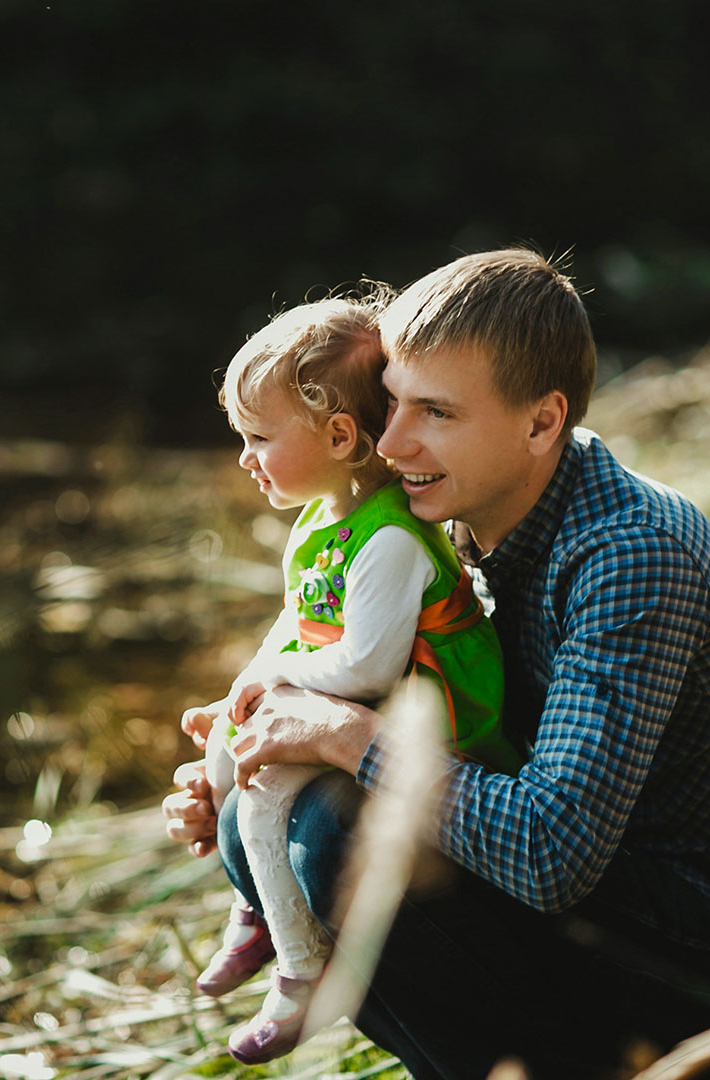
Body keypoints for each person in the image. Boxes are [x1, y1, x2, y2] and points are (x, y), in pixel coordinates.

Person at [165, 250, 710, 1079]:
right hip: (618, 874)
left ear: (540, 423)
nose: (390, 440)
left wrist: (343, 734)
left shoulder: (628, 556)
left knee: (336, 834)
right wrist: (250, 742)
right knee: (262, 827)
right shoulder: (454, 508)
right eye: (389, 403)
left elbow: (548, 852)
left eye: (436, 413)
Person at [168, 293, 520, 1066]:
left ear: (336, 434)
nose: (243, 458)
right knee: (227, 753)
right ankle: (259, 908)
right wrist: (244, 689)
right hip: (358, 706)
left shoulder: (390, 537)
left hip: (431, 717)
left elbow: (365, 666)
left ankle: (300, 971)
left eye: (259, 437)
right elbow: (295, 623)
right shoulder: (321, 521)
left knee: (261, 800)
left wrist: (281, 682)